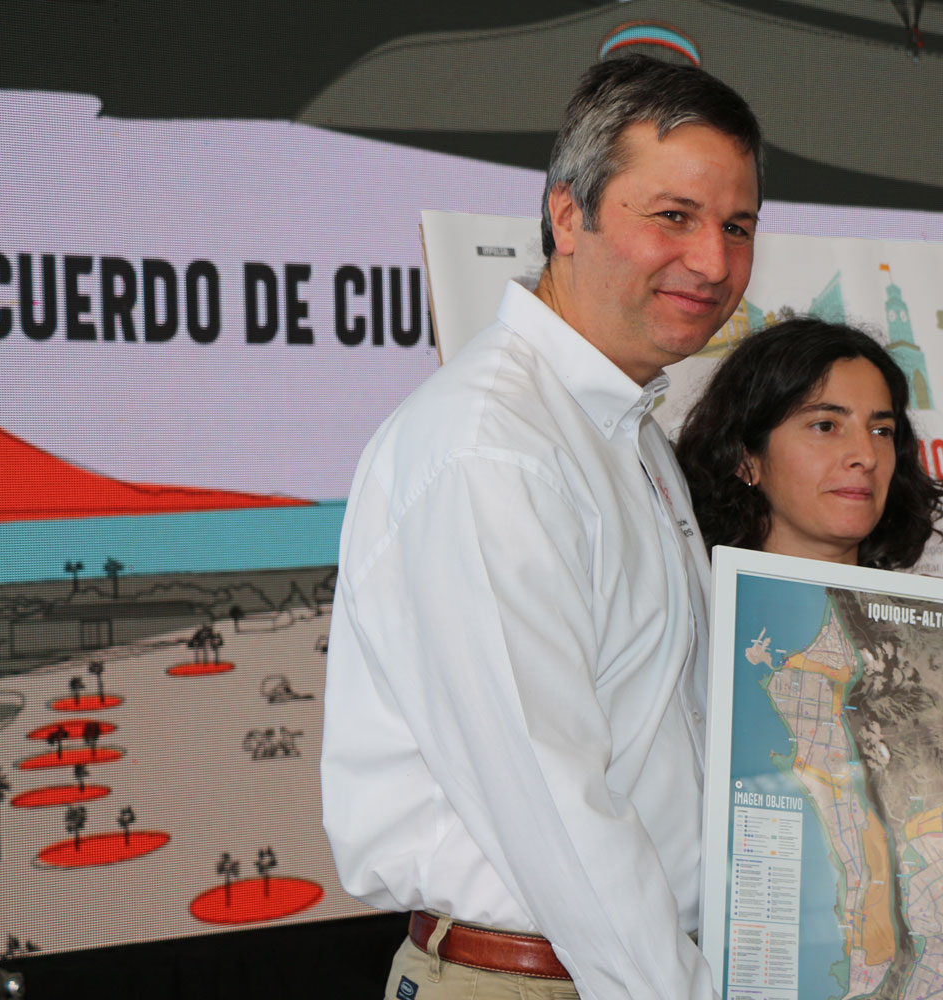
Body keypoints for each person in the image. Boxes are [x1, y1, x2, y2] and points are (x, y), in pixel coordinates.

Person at [321, 55, 761, 1000]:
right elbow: (555, 808)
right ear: (568, 214)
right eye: (674, 216)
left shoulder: (624, 430)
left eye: (737, 226)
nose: (714, 261)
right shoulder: (494, 449)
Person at [675, 319, 943, 859]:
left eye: (881, 430)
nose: (865, 455)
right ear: (745, 458)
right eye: (826, 425)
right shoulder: (691, 624)